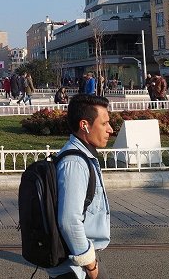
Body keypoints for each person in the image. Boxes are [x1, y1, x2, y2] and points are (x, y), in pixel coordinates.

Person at [44, 93, 113, 279]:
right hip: (76, 267)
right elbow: (69, 220)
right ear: (85, 125)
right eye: (104, 123)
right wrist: (91, 265)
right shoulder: (75, 163)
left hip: (80, 260)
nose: (111, 129)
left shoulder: (83, 157)